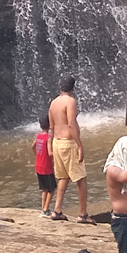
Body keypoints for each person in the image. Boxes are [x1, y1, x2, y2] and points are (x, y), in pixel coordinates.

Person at [47, 77, 90, 221]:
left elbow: (51, 126)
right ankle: (83, 214)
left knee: (63, 177)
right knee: (81, 178)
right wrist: (79, 145)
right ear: (73, 89)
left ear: (60, 88)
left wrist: (52, 142)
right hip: (68, 143)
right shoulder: (71, 102)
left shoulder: (53, 102)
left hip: (57, 142)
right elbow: (71, 124)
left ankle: (57, 210)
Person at [34, 114, 55, 217]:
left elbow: (32, 146)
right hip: (47, 167)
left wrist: (37, 155)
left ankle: (43, 208)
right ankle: (46, 210)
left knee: (44, 189)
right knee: (52, 189)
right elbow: (50, 153)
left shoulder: (38, 136)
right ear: (50, 125)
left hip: (38, 166)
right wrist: (57, 155)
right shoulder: (48, 138)